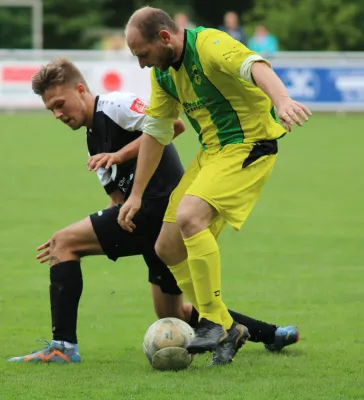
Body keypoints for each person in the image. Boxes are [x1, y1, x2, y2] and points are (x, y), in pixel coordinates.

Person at [8, 58, 299, 364]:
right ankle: (271, 334)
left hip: (162, 210)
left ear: (80, 89)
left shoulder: (116, 105)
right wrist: (109, 221)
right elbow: (117, 200)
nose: (57, 114)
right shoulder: (92, 141)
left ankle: (62, 348)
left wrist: (119, 158)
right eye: (50, 109)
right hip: (145, 223)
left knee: (64, 242)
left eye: (59, 103)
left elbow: (173, 126)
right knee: (175, 315)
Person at [119, 7, 310, 364]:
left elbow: (255, 66)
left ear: (164, 38)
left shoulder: (208, 44)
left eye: (143, 54)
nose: (142, 65)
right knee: (167, 246)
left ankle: (210, 321)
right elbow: (157, 132)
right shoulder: (162, 76)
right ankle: (228, 326)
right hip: (213, 153)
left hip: (251, 144)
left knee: (191, 216)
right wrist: (138, 193)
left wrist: (281, 100)